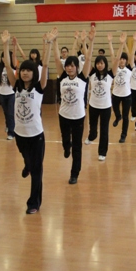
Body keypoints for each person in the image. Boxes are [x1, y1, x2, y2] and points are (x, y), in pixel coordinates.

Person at [3, 30, 55, 214]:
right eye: (22, 70)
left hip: (36, 135)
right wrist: (6, 44)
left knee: (37, 170)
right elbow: (8, 66)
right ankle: (28, 165)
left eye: (28, 70)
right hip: (20, 135)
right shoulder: (16, 86)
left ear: (34, 73)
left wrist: (49, 44)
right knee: (29, 162)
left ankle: (34, 203)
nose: (25, 73)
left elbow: (45, 64)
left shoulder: (39, 88)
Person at [54, 26, 94, 184]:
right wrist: (55, 41)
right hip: (63, 115)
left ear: (77, 67)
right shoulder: (62, 77)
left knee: (77, 146)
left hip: (78, 117)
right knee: (66, 140)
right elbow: (57, 59)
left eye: (72, 66)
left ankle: (74, 174)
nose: (69, 68)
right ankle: (66, 147)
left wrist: (90, 41)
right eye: (68, 65)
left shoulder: (83, 78)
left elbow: (88, 59)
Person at [85, 49, 113, 161]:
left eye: (101, 63)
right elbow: (87, 58)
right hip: (93, 106)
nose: (99, 65)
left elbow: (115, 60)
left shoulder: (110, 75)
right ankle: (92, 136)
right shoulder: (92, 74)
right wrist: (85, 42)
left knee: (104, 130)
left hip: (106, 107)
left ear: (105, 64)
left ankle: (102, 152)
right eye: (97, 63)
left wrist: (117, 44)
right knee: (93, 128)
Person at [109, 33, 131, 143]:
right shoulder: (115, 68)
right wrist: (110, 42)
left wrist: (124, 44)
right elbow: (113, 55)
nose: (122, 60)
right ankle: (118, 117)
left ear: (126, 60)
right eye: (120, 58)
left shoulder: (129, 69)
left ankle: (123, 135)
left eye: (123, 59)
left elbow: (130, 55)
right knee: (116, 110)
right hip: (116, 94)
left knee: (126, 116)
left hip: (126, 95)